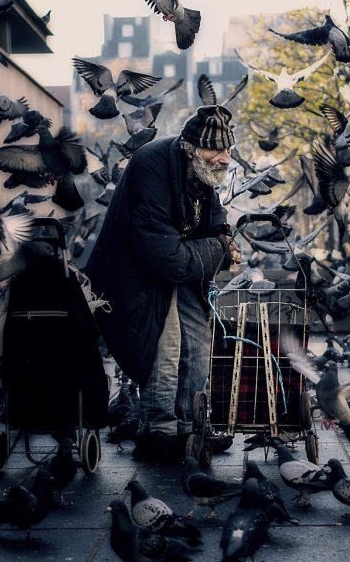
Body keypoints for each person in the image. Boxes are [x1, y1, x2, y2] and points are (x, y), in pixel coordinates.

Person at [85, 104, 241, 461]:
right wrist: (218, 247)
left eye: (228, 150)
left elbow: (214, 223)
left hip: (179, 264)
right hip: (134, 272)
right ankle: (159, 430)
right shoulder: (150, 165)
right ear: (190, 148)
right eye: (217, 151)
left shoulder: (201, 172)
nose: (226, 159)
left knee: (198, 343)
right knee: (166, 345)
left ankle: (189, 426)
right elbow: (161, 255)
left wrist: (222, 239)